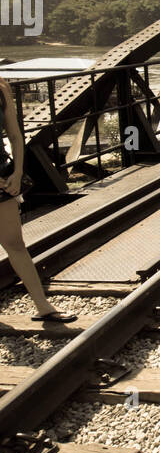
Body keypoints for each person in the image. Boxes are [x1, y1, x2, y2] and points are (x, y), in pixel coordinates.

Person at [0, 78, 76, 323]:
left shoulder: (0, 87)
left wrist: (17, 172)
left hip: (3, 176)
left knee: (15, 244)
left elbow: (14, 135)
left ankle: (43, 307)